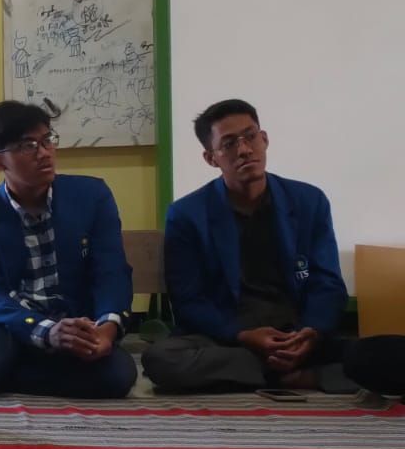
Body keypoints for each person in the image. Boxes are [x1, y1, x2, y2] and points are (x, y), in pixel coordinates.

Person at [142, 99, 394, 394]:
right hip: (230, 338)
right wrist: (242, 334)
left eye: (250, 136)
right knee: (160, 359)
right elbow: (188, 299)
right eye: (229, 144)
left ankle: (278, 370)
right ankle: (298, 376)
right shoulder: (187, 214)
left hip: (297, 333)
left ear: (264, 139)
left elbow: (327, 283)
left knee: (386, 355)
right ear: (211, 158)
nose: (244, 150)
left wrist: (311, 332)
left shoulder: (308, 201)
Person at [0, 101, 136, 399]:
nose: (44, 153)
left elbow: (111, 270)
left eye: (47, 140)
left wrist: (108, 326)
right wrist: (44, 331)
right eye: (27, 146)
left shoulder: (92, 196)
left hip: (72, 321)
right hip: (9, 324)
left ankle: (4, 375)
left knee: (118, 376)